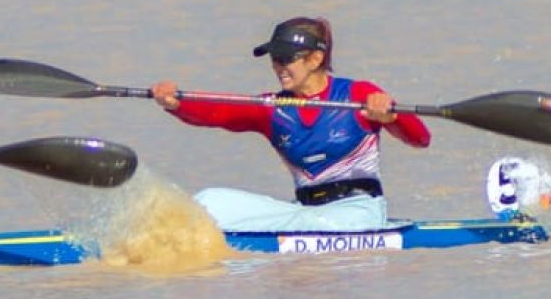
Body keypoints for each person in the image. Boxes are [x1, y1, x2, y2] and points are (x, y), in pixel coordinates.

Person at [149, 17, 431, 232]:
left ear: (316, 59)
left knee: (312, 227)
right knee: (209, 201)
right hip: (305, 212)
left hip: (357, 211)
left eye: (286, 58)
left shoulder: (358, 94)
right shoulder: (272, 108)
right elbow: (218, 112)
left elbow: (421, 139)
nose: (279, 67)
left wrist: (392, 118)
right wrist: (175, 103)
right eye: (275, 59)